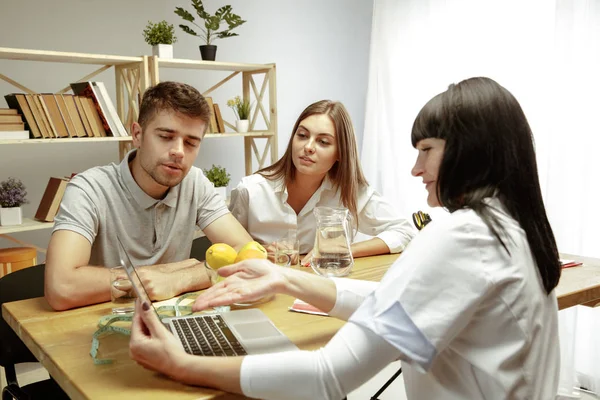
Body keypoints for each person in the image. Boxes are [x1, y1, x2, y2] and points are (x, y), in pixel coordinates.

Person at [129, 77, 561, 399]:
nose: (415, 168)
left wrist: (183, 365)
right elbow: (392, 310)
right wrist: (285, 279)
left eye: (426, 149)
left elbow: (329, 376)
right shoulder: (507, 227)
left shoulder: (462, 234)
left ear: (471, 151)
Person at [45, 81, 253, 311]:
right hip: (99, 323)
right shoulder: (88, 189)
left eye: (191, 143)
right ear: (137, 134)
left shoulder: (195, 182)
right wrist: (157, 274)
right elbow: (61, 287)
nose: (179, 152)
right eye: (165, 136)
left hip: (174, 320)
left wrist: (180, 278)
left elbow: (247, 252)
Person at [228, 100, 415, 264]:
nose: (308, 147)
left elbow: (404, 231)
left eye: (323, 142)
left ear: (340, 153)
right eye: (302, 135)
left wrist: (343, 249)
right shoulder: (250, 191)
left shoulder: (350, 192)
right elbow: (226, 252)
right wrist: (259, 253)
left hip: (323, 287)